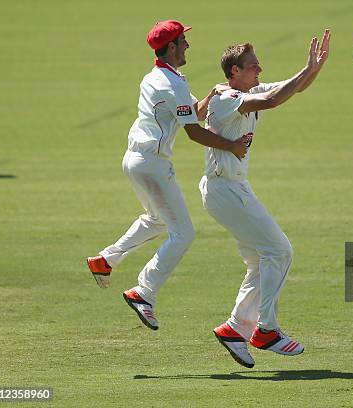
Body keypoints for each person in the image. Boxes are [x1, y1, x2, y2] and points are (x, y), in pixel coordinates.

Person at [86, 20, 249, 331]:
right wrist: (231, 146)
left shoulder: (159, 76)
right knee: (183, 233)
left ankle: (106, 260)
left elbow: (193, 112)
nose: (187, 45)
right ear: (171, 47)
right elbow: (194, 132)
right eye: (183, 41)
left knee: (158, 220)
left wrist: (213, 92)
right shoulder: (170, 84)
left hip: (136, 160)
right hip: (152, 165)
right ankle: (143, 293)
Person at [201, 30, 331, 368]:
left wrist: (312, 68)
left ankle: (236, 328)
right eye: (253, 67)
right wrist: (305, 72)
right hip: (224, 188)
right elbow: (273, 101)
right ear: (234, 72)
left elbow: (289, 88)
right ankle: (267, 330)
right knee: (279, 250)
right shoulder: (225, 98)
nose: (259, 71)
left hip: (232, 188)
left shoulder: (246, 90)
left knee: (262, 261)